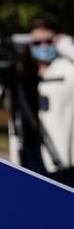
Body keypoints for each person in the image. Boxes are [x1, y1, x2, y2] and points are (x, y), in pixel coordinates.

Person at [28, 19, 74, 185]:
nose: (43, 47)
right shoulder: (26, 71)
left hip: (62, 159)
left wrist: (66, 45)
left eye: (49, 41)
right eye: (37, 43)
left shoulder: (68, 67)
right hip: (30, 153)